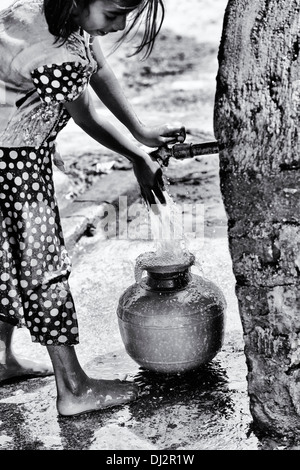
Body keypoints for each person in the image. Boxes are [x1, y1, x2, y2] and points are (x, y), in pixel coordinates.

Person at [0, 0, 185, 416]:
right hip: (12, 164)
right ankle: (73, 388)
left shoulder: (42, 13)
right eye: (114, 13)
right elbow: (87, 117)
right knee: (41, 264)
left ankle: (2, 358)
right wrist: (137, 157)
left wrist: (141, 131)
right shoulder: (55, 58)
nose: (118, 26)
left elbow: (96, 66)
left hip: (12, 149)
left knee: (7, 258)